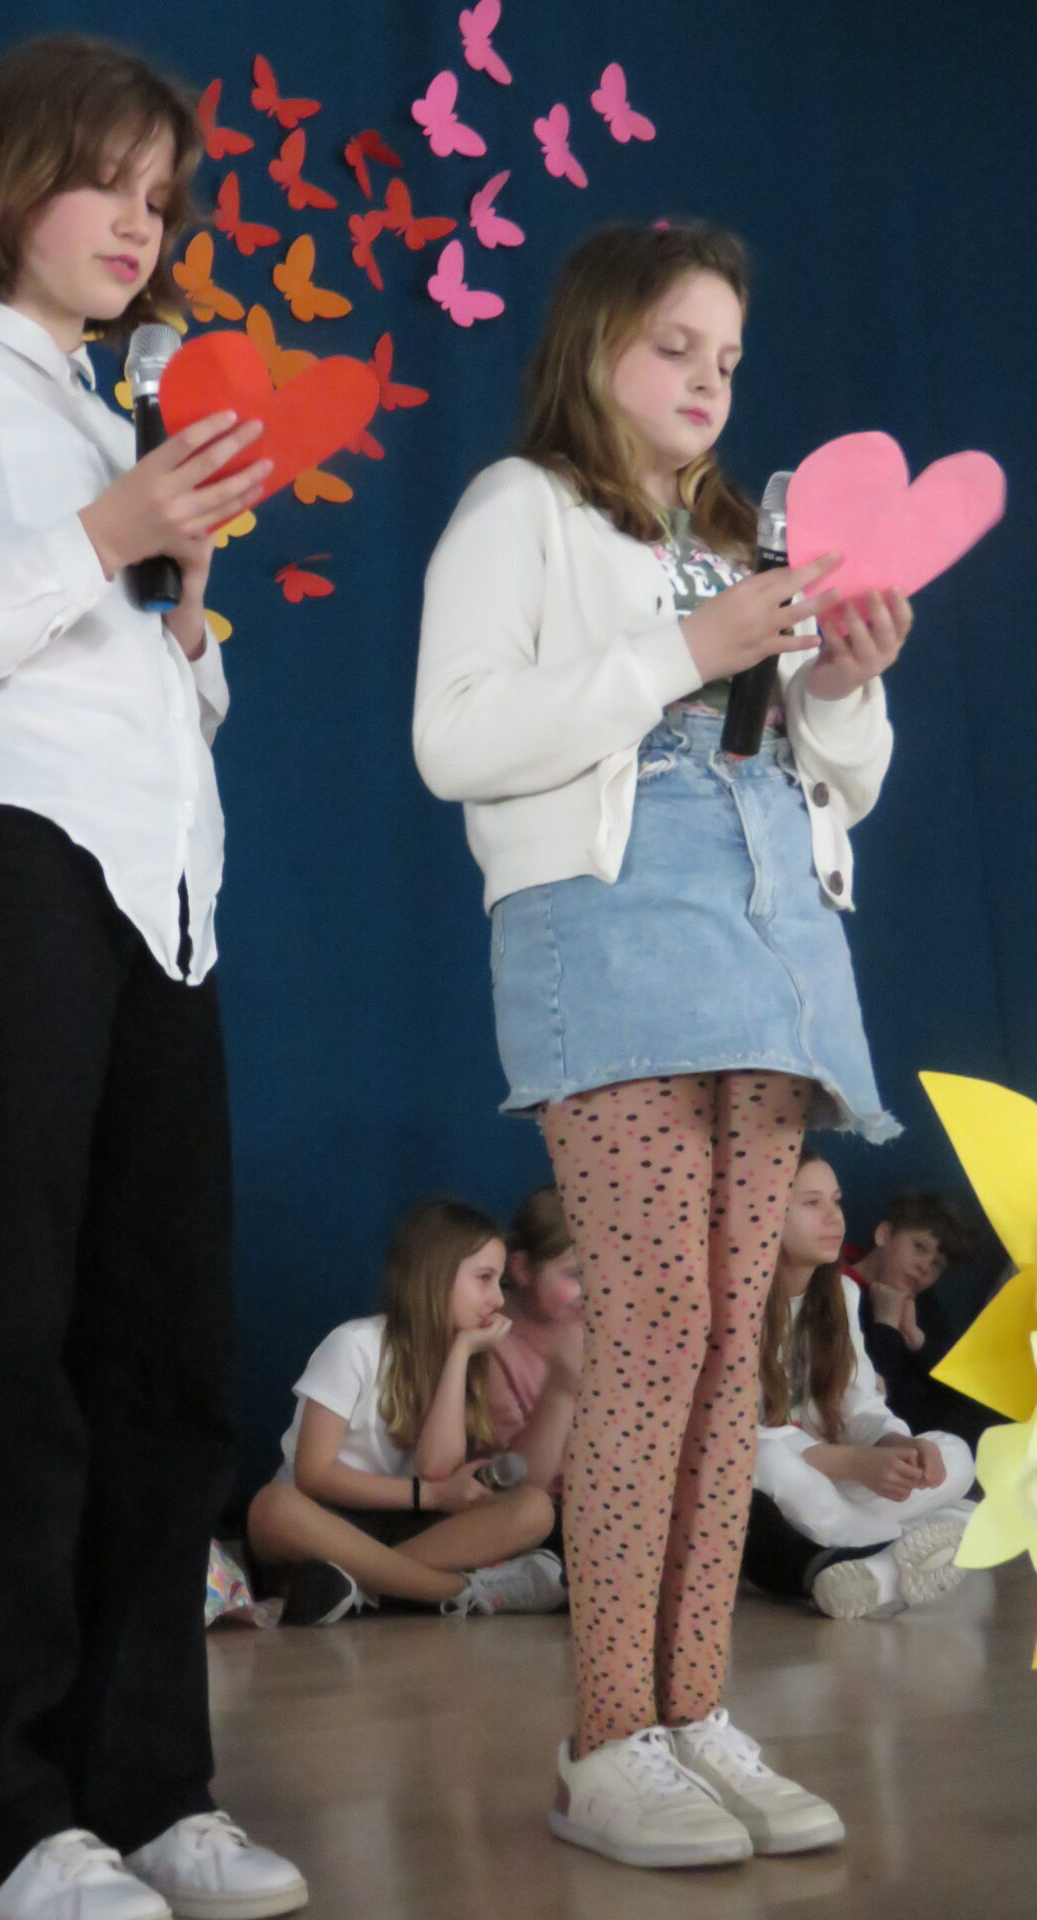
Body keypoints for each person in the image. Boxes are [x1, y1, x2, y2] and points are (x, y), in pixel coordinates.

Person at [0, 33, 304, 1920]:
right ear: (12, 177)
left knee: (164, 1357)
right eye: (108, 178)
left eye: (163, 196)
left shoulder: (123, 428)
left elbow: (151, 695)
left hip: (162, 896)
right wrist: (102, 540)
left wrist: (183, 616)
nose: (139, 222)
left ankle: (144, 1781)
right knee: (4, 1350)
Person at [414, 221, 912, 1870]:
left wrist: (842, 685)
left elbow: (837, 781)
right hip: (613, 939)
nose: (709, 379)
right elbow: (454, 738)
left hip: (770, 948)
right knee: (652, 1334)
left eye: (729, 357)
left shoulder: (741, 534)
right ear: (596, 341)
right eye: (676, 345)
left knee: (729, 1346)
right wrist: (687, 651)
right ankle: (608, 1736)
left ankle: (693, 1709)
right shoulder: (522, 508)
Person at [246, 1201, 564, 1625]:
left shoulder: (466, 1358)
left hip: (403, 1526)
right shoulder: (354, 1345)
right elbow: (313, 1474)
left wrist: (460, 1355)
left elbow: (437, 1470)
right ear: (434, 1275)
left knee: (535, 1509)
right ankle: (460, 1592)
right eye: (484, 1278)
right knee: (273, 1508)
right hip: (325, 1517)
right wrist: (431, 1496)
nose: (498, 1298)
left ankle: (356, 1588)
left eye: (500, 1281)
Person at [745, 1151, 974, 1619]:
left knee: (954, 1455)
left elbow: (861, 1404)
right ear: (765, 1214)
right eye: (812, 1203)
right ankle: (902, 1548)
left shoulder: (842, 1293)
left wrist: (896, 1445)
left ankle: (871, 1565)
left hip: (834, 1486)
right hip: (781, 1485)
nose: (834, 1217)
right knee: (764, 1459)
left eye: (836, 1200)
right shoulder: (737, 1302)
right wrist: (853, 1462)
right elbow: (733, 1436)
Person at [842, 1192, 986, 1443]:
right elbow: (865, 1399)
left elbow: (961, 1391)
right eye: (919, 1247)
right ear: (885, 1235)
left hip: (934, 1436)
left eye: (937, 1264)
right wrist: (886, 1325)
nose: (924, 1267)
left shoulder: (923, 1302)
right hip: (873, 1439)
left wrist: (918, 1341)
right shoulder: (835, 1287)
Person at [486, 1186, 584, 1504]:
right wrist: (561, 1389)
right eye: (576, 1275)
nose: (596, 1292)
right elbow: (516, 1486)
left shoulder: (607, 1331)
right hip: (545, 1514)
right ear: (522, 1269)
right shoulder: (490, 1345)